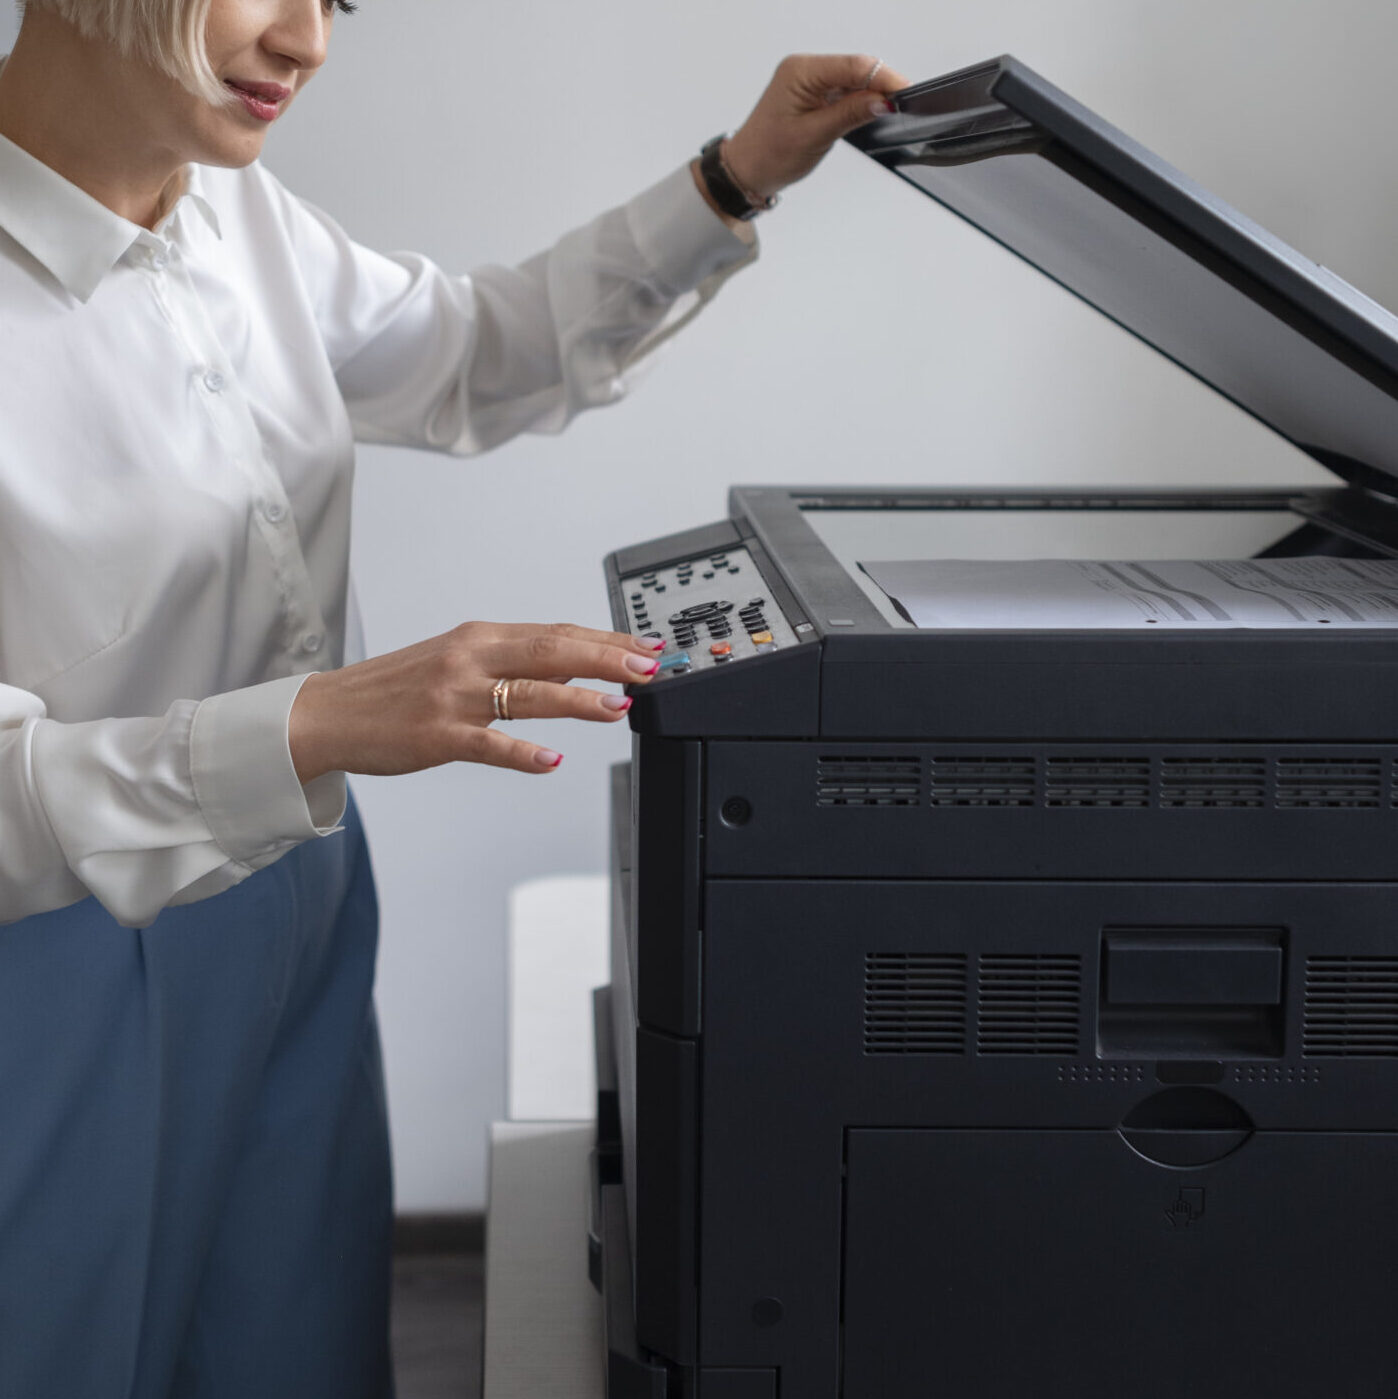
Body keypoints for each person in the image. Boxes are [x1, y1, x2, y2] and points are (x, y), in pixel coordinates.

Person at [0, 2, 908, 1395]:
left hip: (290, 892)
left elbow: (477, 352)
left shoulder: (235, 218)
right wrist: (309, 724)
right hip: (51, 945)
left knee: (286, 1353)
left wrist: (734, 177)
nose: (308, 40)